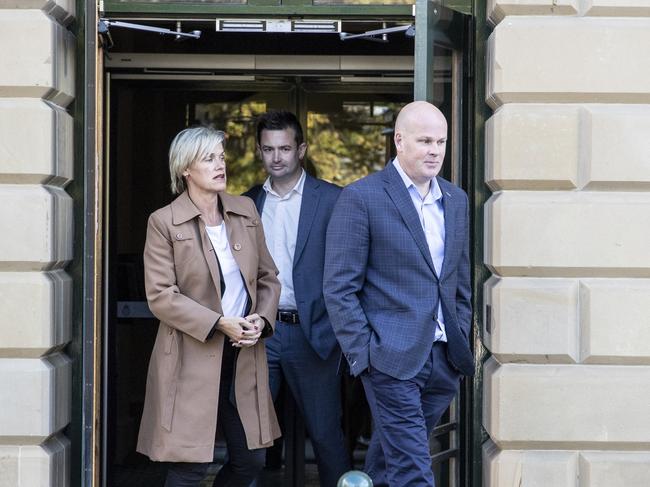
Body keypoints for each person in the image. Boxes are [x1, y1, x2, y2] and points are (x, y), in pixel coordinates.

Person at [323, 101, 475, 487]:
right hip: (390, 360)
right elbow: (339, 288)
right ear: (399, 141)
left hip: (443, 360)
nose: (435, 150)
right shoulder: (361, 198)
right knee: (413, 470)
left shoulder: (456, 200)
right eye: (425, 140)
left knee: (390, 461)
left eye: (440, 141)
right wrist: (367, 356)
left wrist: (459, 335)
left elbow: (456, 282)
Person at [137, 126, 281, 486]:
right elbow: (160, 296)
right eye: (208, 158)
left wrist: (261, 320)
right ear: (186, 168)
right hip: (189, 356)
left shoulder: (245, 210)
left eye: (221, 157)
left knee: (251, 461)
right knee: (189, 466)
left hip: (242, 354)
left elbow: (268, 277)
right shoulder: (163, 221)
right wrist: (219, 322)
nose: (220, 165)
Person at [244, 110, 350, 487]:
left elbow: (351, 269)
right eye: (269, 149)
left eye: (285, 148)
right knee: (251, 439)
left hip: (314, 334)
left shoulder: (334, 200)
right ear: (259, 151)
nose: (277, 157)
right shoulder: (246, 204)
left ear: (301, 149)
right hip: (261, 334)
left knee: (325, 436)